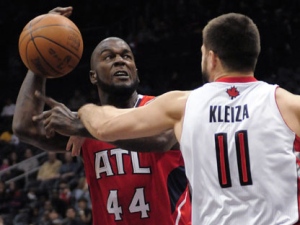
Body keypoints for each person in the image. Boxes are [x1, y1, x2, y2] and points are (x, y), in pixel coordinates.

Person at [58, 13, 300, 224]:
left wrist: (83, 116)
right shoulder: (288, 105)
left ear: (212, 58)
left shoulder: (184, 105)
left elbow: (103, 126)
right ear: (254, 56)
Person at [12, 6, 191, 225]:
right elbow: (24, 127)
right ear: (93, 77)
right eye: (109, 57)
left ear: (136, 70)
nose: (120, 60)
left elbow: (160, 140)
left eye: (126, 56)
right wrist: (39, 57)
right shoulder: (84, 122)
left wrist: (84, 128)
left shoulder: (164, 107)